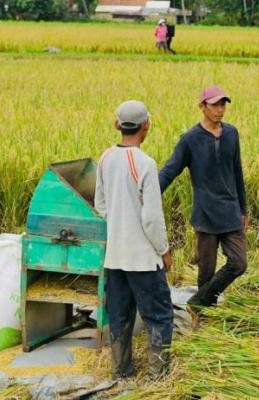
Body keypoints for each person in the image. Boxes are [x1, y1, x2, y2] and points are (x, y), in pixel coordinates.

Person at [95, 100, 173, 379]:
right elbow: (151, 218)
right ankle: (157, 377)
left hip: (115, 258)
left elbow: (101, 205)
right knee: (158, 316)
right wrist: (164, 250)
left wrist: (119, 221)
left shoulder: (104, 158)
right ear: (146, 126)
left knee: (119, 317)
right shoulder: (145, 163)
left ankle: (121, 371)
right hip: (142, 259)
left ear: (118, 125)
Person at [159, 86, 247, 326]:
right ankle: (202, 320)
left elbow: (237, 171)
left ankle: (198, 302)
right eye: (215, 104)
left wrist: (244, 209)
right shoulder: (190, 140)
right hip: (206, 215)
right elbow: (170, 170)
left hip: (230, 212)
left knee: (239, 263)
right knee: (205, 273)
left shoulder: (231, 134)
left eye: (223, 104)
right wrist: (149, 192)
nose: (220, 109)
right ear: (202, 107)